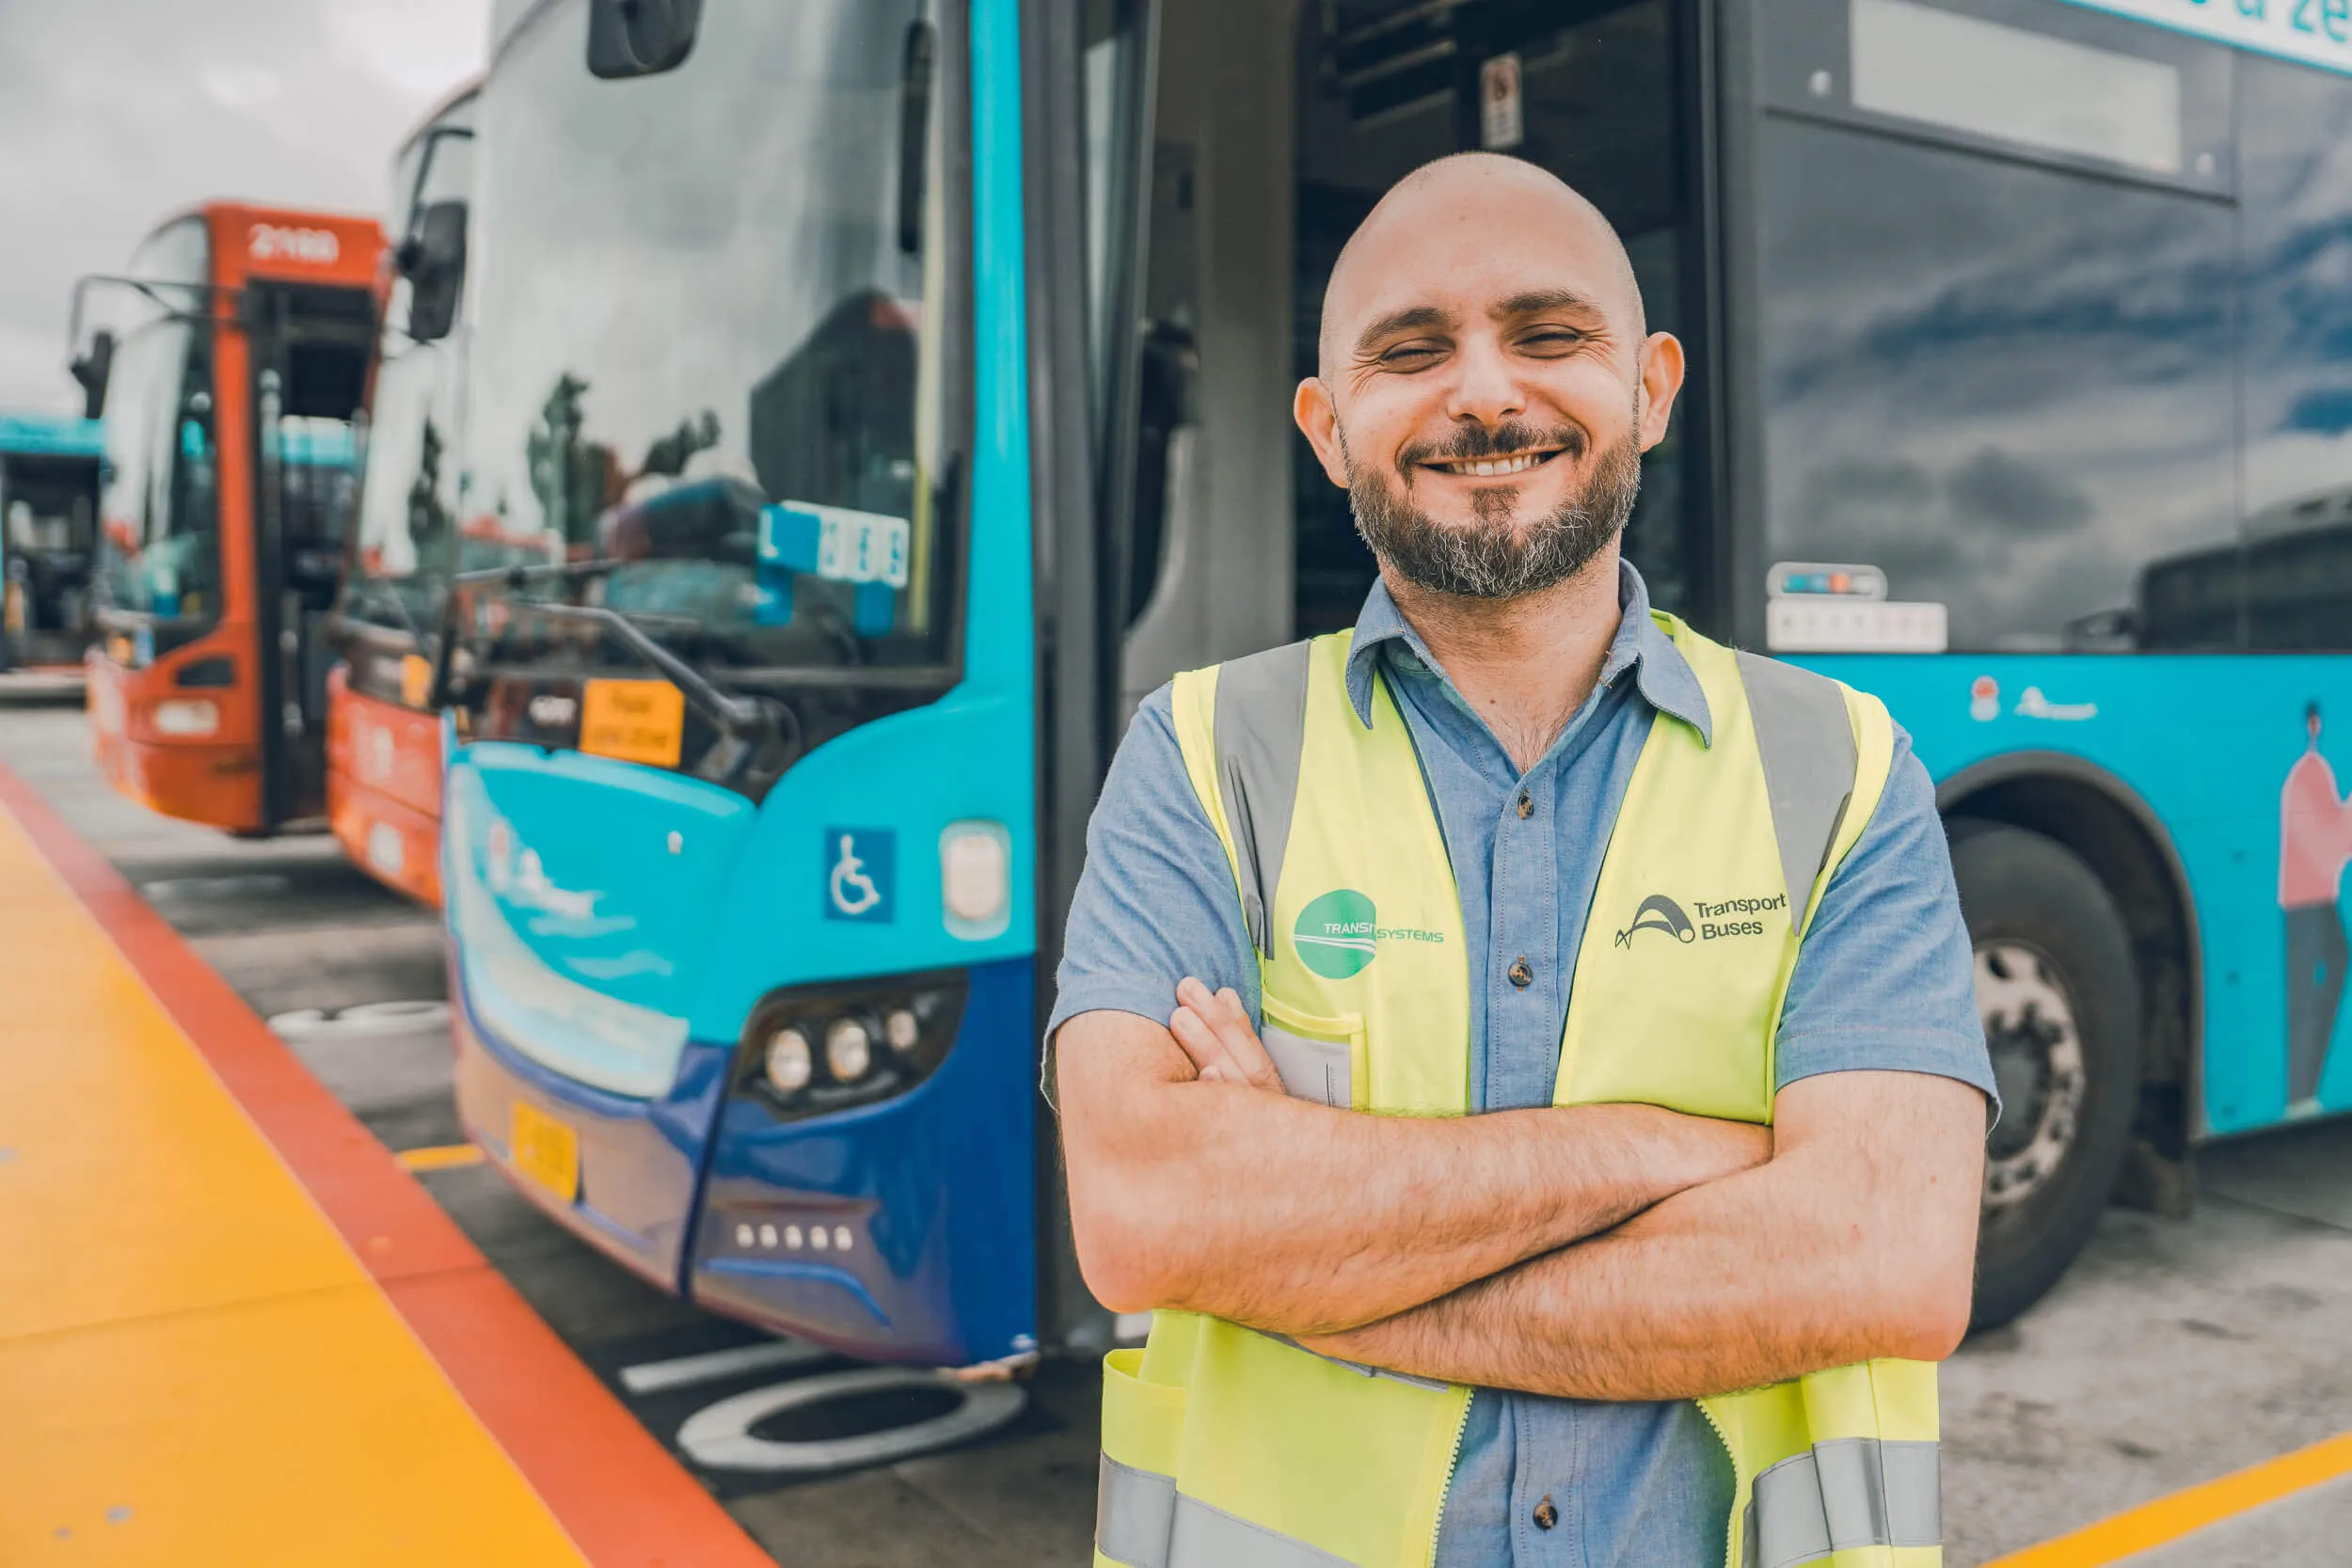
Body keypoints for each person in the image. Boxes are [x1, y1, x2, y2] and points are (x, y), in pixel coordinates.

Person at [1052, 153, 1994, 1568]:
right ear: (1325, 426)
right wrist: (1674, 1151)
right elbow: (1144, 1215)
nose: (1484, 394)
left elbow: (1885, 1259)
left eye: (1549, 336)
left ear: (1653, 387)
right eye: (1411, 349)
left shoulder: (1847, 770)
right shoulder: (1199, 756)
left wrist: (1314, 1262)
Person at [2280, 702, 2352, 1117]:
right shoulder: (2307, 774)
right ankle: (2298, 1095)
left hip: (2317, 896)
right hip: (2306, 899)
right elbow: (2327, 844)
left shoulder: (2317, 771)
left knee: (2328, 973)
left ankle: (2304, 1091)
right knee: (2306, 994)